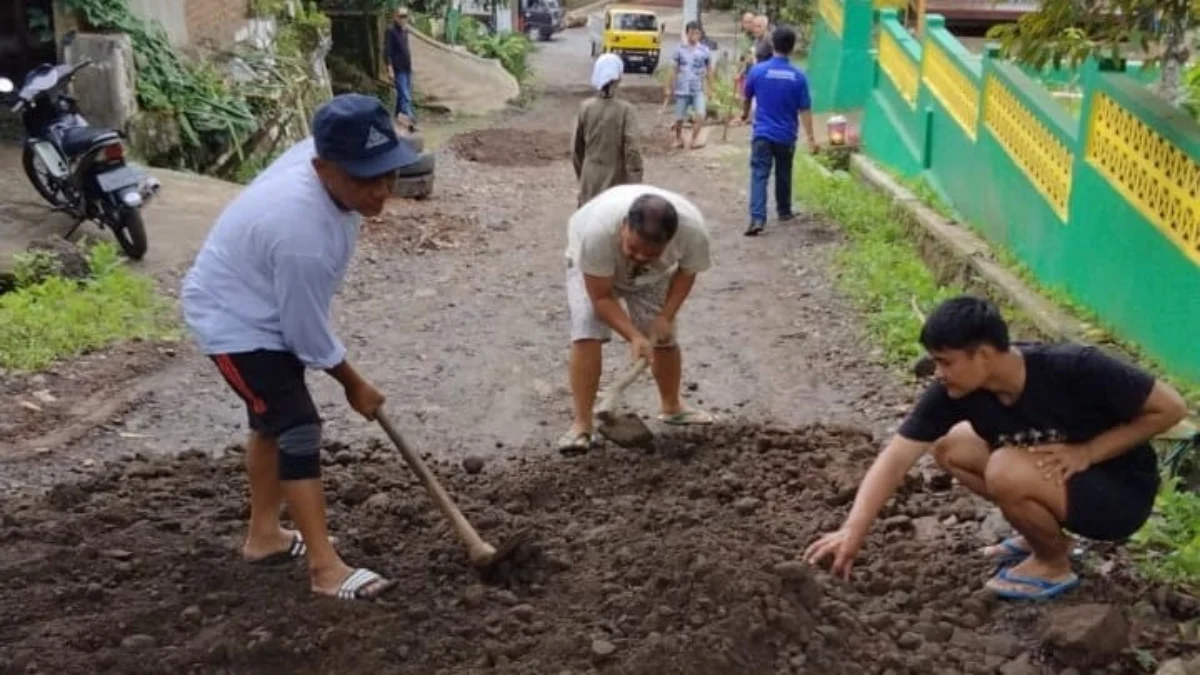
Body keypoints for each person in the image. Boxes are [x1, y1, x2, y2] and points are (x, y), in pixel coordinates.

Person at [180, 94, 424, 601]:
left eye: (388, 174)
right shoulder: (300, 231)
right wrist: (354, 384)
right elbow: (305, 334)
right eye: (364, 179)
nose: (381, 191)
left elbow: (301, 326)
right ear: (321, 165)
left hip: (265, 300)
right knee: (297, 426)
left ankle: (265, 537)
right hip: (234, 319)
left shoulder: (329, 167)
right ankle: (324, 567)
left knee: (270, 420)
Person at [805, 295, 1187, 601]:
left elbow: (1171, 408)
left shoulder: (1073, 367)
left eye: (945, 362)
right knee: (950, 445)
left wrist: (1088, 451)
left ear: (984, 355)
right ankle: (1043, 530)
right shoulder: (955, 390)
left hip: (1118, 494)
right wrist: (852, 530)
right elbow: (897, 457)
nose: (938, 372)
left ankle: (1052, 562)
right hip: (1059, 478)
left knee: (1005, 467)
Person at [558, 185, 715, 454]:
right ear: (623, 227)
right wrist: (634, 336)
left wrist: (665, 317)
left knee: (665, 336)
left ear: (670, 240)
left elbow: (687, 273)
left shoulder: (693, 232)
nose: (641, 257)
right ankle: (582, 425)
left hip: (653, 277)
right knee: (587, 331)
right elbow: (602, 297)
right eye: (633, 248)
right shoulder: (596, 234)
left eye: (651, 253)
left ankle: (672, 407)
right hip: (594, 268)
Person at [740, 25, 817, 236]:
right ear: (792, 48)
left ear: (772, 44)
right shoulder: (798, 77)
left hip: (762, 133)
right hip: (785, 135)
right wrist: (811, 138)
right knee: (784, 172)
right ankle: (784, 210)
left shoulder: (758, 71)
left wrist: (744, 114)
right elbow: (805, 109)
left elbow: (747, 96)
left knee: (759, 174)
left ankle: (757, 217)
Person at [572, 53, 644, 207]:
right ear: (619, 77)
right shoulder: (626, 110)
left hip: (590, 178)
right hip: (616, 179)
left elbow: (576, 149)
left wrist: (583, 174)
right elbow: (632, 150)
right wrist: (635, 181)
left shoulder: (585, 108)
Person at [663, 21, 714, 150]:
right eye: (691, 33)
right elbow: (673, 69)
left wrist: (711, 88)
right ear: (687, 34)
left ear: (700, 34)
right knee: (679, 117)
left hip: (698, 88)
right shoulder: (680, 49)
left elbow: (709, 70)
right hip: (682, 88)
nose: (694, 36)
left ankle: (694, 139)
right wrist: (669, 86)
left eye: (697, 33)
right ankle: (678, 138)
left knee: (701, 114)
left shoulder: (704, 51)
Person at [384, 6, 416, 127]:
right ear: (395, 17)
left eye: (405, 16)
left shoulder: (405, 31)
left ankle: (397, 119)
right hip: (398, 68)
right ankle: (409, 121)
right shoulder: (391, 30)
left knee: (402, 96)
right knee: (405, 96)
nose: (403, 19)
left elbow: (405, 50)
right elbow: (387, 51)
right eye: (401, 16)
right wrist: (389, 67)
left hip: (407, 67)